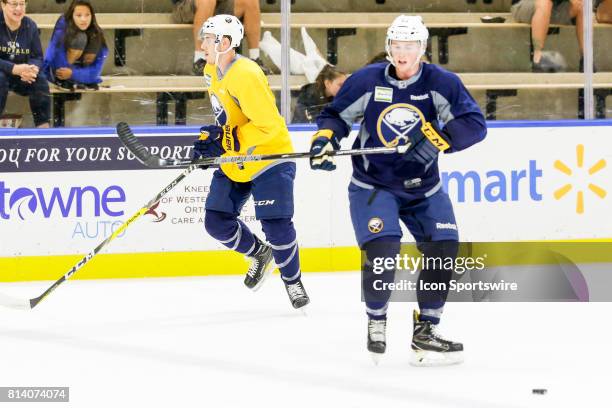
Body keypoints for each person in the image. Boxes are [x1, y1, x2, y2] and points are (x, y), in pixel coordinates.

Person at [309, 15, 487, 365]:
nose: (402, 53)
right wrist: (325, 140)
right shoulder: (365, 81)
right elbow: (335, 117)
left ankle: (426, 332)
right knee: (383, 253)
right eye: (396, 46)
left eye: (410, 46)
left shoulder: (441, 82)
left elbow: (474, 124)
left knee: (444, 248)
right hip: (374, 186)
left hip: (424, 188)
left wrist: (437, 140)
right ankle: (377, 319)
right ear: (389, 47)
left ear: (422, 49)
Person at [193, 14, 309, 309]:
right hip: (239, 157)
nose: (202, 43)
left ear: (226, 43)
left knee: (277, 226)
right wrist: (213, 137)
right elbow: (228, 115)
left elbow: (268, 125)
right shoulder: (211, 69)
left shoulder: (246, 73)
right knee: (216, 222)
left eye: (208, 39)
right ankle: (260, 253)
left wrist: (226, 139)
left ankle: (292, 281)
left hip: (269, 155)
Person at [171, 0, 269, 74]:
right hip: (185, 5)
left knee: (250, 1)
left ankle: (255, 59)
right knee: (207, 1)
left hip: (220, 5)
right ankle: (200, 60)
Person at [0, 0, 50, 128]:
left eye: (22, 4)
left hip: (22, 76)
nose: (18, 8)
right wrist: (13, 68)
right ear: (3, 5)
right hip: (3, 74)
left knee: (39, 79)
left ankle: (43, 127)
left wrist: (31, 69)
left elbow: (37, 56)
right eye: (14, 4)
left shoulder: (30, 25)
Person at [43, 0, 108, 90]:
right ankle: (65, 81)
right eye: (79, 15)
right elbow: (53, 56)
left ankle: (82, 80)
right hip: (57, 72)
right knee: (80, 38)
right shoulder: (63, 25)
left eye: (87, 15)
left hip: (77, 73)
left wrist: (73, 74)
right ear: (72, 16)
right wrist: (62, 74)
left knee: (94, 38)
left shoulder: (96, 33)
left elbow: (96, 72)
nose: (83, 19)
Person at [511, 0, 584, 72]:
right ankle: (537, 59)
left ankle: (586, 60)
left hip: (553, 8)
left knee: (584, 6)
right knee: (545, 3)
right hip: (524, 5)